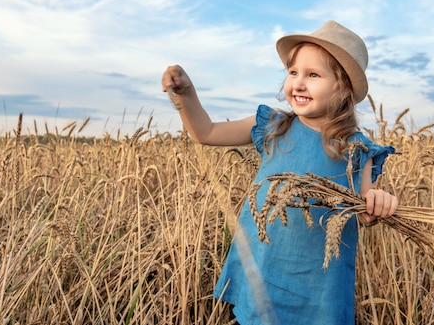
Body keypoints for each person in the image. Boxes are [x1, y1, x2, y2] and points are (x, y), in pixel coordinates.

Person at [161, 20, 398, 324]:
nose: (298, 83)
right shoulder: (273, 126)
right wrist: (186, 95)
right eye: (293, 72)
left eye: (313, 75)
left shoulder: (357, 150)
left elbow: (367, 209)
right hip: (264, 271)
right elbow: (205, 132)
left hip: (319, 287)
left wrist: (379, 202)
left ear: (343, 88)